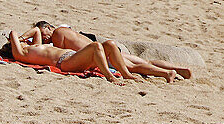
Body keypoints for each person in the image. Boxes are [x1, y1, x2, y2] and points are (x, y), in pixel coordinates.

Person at [21, 21, 190, 80]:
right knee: (143, 61)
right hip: (108, 48)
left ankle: (166, 74)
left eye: (45, 35)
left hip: (101, 54)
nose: (46, 39)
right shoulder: (67, 29)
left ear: (49, 27)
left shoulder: (58, 35)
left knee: (133, 67)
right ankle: (177, 69)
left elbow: (63, 56)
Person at [5, 29, 142, 85]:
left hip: (72, 56)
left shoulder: (33, 47)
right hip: (64, 62)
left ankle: (126, 74)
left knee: (110, 44)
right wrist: (16, 39)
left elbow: (36, 30)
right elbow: (12, 32)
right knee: (95, 46)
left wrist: (23, 38)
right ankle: (109, 77)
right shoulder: (21, 54)